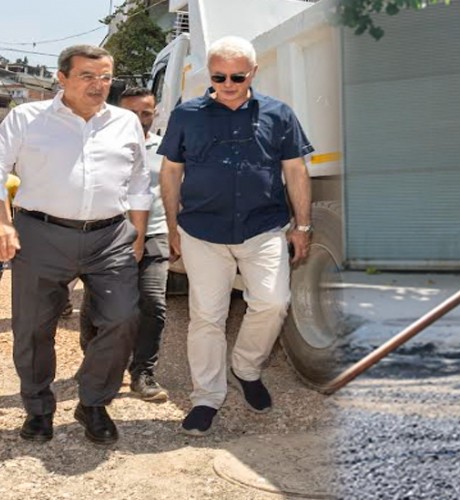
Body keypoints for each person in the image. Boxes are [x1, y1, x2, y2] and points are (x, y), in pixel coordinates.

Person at [159, 36, 314, 436]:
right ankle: (206, 397)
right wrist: (172, 226)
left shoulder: (279, 115)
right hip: (202, 231)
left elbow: (296, 171)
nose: (228, 83)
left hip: (262, 228)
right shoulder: (187, 115)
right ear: (210, 74)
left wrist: (303, 225)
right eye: (219, 76)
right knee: (207, 317)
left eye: (237, 76)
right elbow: (171, 171)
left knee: (273, 302)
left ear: (253, 72)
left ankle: (246, 367)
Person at [0, 45, 151, 445]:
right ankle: (38, 409)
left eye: (105, 78)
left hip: (111, 237)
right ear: (62, 78)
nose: (98, 85)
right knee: (33, 328)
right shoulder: (27, 118)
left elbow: (138, 181)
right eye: (87, 76)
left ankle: (94, 403)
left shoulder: (125, 122)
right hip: (41, 234)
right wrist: (4, 223)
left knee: (122, 319)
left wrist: (136, 232)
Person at [80, 87, 169, 401]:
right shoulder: (101, 144)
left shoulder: (166, 147)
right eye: (133, 112)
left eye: (146, 113)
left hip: (155, 233)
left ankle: (143, 372)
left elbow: (176, 190)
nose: (140, 119)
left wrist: (176, 230)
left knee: (153, 303)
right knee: (98, 304)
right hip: (110, 235)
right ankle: (95, 361)